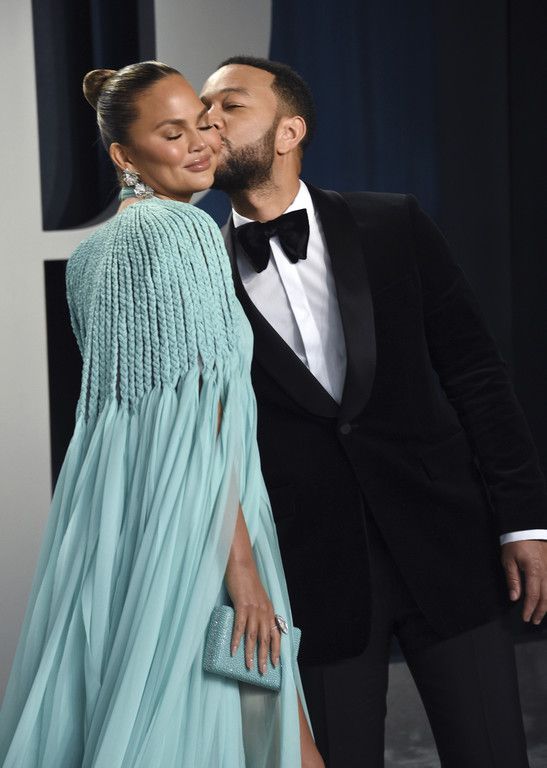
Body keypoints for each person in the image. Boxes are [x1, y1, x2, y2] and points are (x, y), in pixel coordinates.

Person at [200, 56, 547, 767]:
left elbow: (476, 374)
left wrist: (523, 519)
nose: (208, 122)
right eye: (202, 110)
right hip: (310, 572)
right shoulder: (196, 269)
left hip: (445, 545)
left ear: (289, 130)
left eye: (229, 105)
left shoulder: (393, 222)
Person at [0, 61, 324, 768]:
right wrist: (242, 573)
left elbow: (123, 424)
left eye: (203, 125)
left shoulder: (89, 257)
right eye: (173, 134)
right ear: (125, 155)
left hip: (114, 530)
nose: (201, 144)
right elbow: (202, 423)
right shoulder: (185, 232)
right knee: (270, 742)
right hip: (203, 533)